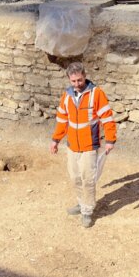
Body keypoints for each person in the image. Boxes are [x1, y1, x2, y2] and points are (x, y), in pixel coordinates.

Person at [49, 62, 117, 228]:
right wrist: (56, 140)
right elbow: (62, 120)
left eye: (79, 80)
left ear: (85, 76)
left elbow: (107, 118)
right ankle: (81, 203)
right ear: (69, 80)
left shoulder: (96, 94)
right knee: (75, 178)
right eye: (73, 81)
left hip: (90, 145)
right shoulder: (67, 96)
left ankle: (87, 211)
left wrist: (110, 140)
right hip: (72, 145)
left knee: (88, 179)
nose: (77, 84)